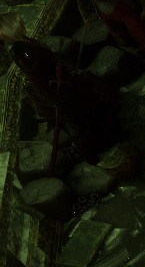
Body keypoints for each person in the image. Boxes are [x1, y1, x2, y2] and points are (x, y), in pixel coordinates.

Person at [0, 12, 126, 162]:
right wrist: (55, 100)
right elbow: (37, 79)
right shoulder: (19, 51)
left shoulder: (24, 41)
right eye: (18, 24)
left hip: (63, 83)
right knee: (77, 124)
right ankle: (91, 157)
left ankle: (104, 141)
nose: (22, 24)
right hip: (57, 90)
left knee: (87, 111)